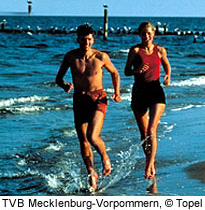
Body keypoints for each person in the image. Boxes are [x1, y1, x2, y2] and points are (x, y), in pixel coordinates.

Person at [55, 24, 121, 191]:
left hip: (98, 98)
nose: (87, 42)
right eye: (83, 39)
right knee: (83, 141)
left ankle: (105, 157)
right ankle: (91, 173)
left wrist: (117, 92)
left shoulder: (101, 57)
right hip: (79, 99)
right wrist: (64, 85)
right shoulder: (71, 57)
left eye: (89, 39)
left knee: (92, 136)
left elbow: (115, 72)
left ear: (93, 40)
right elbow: (59, 78)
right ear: (78, 39)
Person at [125, 22, 171, 179]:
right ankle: (149, 160)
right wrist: (137, 71)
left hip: (155, 90)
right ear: (140, 35)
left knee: (152, 130)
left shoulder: (160, 50)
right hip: (139, 90)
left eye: (149, 33)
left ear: (154, 34)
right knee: (144, 133)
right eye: (143, 33)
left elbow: (167, 65)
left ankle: (149, 165)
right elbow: (126, 71)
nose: (146, 36)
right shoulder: (135, 50)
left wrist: (167, 76)